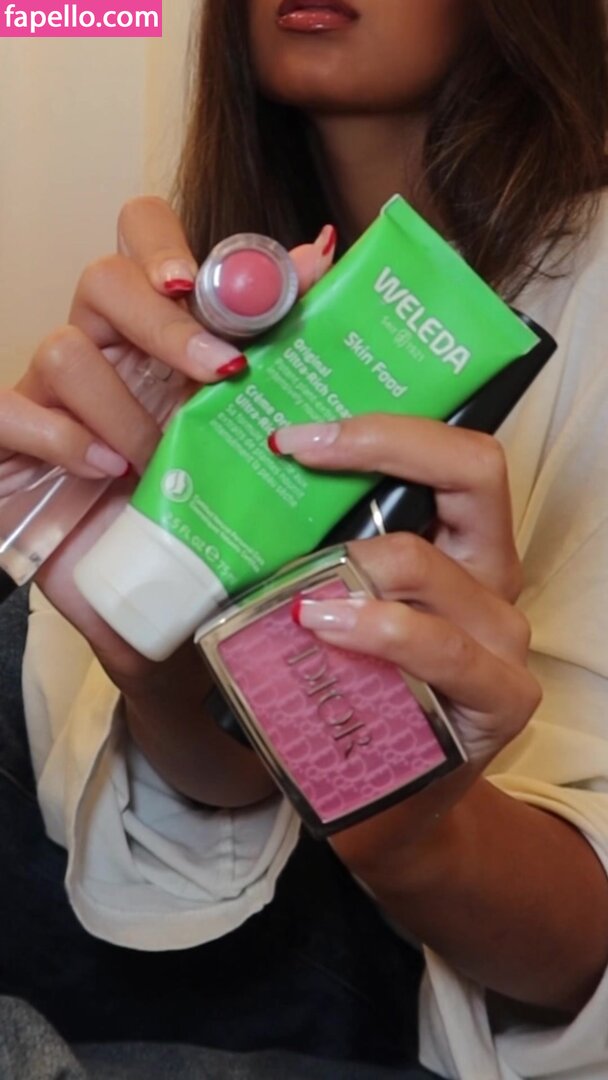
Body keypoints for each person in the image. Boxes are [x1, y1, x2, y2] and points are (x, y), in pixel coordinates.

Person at [1, 1, 608, 1077]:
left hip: (418, 968)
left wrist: (406, 813)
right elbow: (191, 832)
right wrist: (152, 661)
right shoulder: (204, 280)